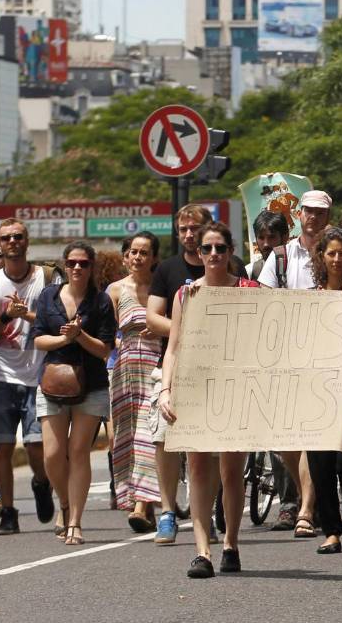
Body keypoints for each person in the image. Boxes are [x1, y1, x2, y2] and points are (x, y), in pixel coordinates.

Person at [159, 223, 260, 578]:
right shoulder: (186, 295)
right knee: (199, 468)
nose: (214, 254)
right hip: (195, 388)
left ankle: (231, 543)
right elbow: (173, 348)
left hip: (235, 388)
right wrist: (165, 390)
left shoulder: (251, 291)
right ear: (198, 253)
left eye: (220, 248)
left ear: (230, 251)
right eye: (207, 248)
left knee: (232, 470)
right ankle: (202, 551)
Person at [257, 191, 333, 536]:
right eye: (309, 212)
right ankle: (308, 495)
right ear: (298, 214)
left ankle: (305, 510)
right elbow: (264, 300)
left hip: (326, 355)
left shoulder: (337, 252)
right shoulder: (281, 257)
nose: (314, 218)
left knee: (313, 433)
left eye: (321, 213)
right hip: (285, 354)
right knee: (283, 436)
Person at [32, 241, 115, 546]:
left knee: (78, 452)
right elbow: (38, 340)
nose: (77, 268)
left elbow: (105, 350)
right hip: (53, 382)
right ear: (64, 266)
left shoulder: (101, 301)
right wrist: (64, 339)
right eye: (72, 263)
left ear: (92, 267)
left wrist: (80, 335)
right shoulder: (48, 296)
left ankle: (75, 523)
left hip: (91, 385)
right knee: (53, 455)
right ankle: (64, 504)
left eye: (83, 263)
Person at [0, 218, 55, 535]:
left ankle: (41, 482)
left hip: (39, 373)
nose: (12, 242)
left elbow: (56, 319)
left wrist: (29, 315)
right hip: (2, 374)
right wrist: (7, 315)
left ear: (27, 241)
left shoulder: (46, 278)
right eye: (6, 238)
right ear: (0, 243)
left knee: (37, 447)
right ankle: (8, 512)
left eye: (18, 237)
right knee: (3, 447)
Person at [146, 204, 213, 544]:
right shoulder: (167, 270)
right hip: (173, 366)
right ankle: (168, 512)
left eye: (195, 228)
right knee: (164, 439)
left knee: (210, 445)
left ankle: (208, 513)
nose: (189, 235)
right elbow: (152, 317)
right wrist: (187, 332)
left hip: (215, 369)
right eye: (183, 229)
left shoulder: (227, 265)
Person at [306, 227, 342, 553]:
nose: (337, 259)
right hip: (316, 390)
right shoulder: (311, 295)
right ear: (322, 258)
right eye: (331, 253)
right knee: (320, 464)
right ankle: (331, 531)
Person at [108, 230, 163, 532]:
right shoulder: (115, 290)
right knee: (127, 437)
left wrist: (160, 331)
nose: (138, 257)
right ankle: (141, 499)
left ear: (154, 257)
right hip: (126, 369)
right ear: (125, 256)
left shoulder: (161, 288)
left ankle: (142, 506)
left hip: (156, 368)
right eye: (133, 252)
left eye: (144, 252)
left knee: (148, 434)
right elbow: (105, 334)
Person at [246, 210, 290, 280]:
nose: (266, 244)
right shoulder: (250, 272)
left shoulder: (297, 268)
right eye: (261, 238)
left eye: (271, 237)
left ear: (285, 237)